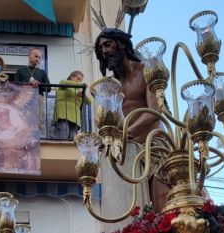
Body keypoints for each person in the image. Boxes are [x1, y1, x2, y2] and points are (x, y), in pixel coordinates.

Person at [95, 28, 170, 228]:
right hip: (129, 152)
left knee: (162, 203)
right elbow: (111, 124)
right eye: (100, 48)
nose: (104, 51)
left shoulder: (146, 70)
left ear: (120, 44)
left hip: (155, 145)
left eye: (107, 44)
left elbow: (155, 112)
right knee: (131, 208)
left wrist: (124, 134)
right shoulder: (112, 87)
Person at [12, 48, 51, 132]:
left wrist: (39, 84)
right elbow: (15, 85)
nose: (38, 58)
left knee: (37, 119)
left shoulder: (42, 72)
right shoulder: (20, 70)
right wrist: (28, 82)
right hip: (23, 98)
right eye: (35, 56)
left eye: (39, 57)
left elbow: (49, 88)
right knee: (23, 119)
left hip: (38, 98)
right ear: (29, 56)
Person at [53, 70, 91, 140]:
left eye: (80, 80)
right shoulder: (64, 83)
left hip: (75, 116)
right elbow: (63, 82)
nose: (79, 81)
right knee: (64, 129)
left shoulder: (78, 89)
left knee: (72, 135)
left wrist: (83, 94)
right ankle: (62, 148)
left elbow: (89, 102)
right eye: (78, 78)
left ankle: (69, 150)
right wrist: (82, 84)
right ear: (71, 77)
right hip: (63, 112)